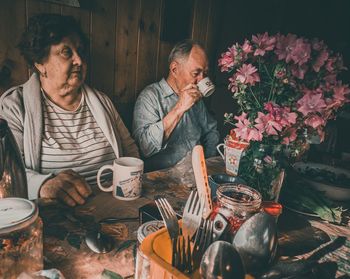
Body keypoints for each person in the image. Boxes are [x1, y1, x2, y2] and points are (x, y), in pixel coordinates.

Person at [0, 14, 139, 206]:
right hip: (58, 216)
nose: (79, 61)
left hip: (116, 207)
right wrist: (44, 184)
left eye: (80, 51)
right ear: (40, 64)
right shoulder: (14, 106)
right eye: (66, 52)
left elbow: (131, 151)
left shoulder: (103, 101)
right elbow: (6, 172)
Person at [132, 39, 219, 171]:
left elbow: (211, 131)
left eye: (205, 73)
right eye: (196, 73)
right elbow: (145, 148)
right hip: (164, 179)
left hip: (196, 174)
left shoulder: (197, 97)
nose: (202, 80)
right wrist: (180, 108)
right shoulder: (150, 96)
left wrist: (207, 163)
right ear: (174, 69)